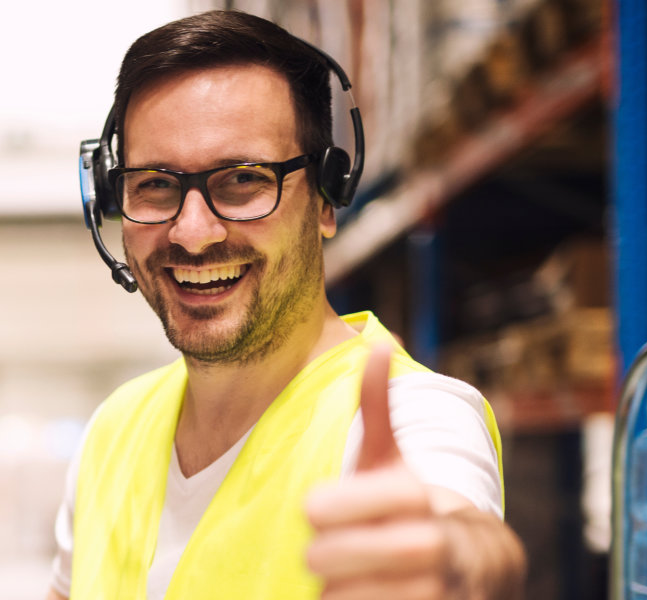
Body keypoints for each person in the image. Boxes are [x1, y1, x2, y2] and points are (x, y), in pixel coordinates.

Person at [51, 10, 525, 600]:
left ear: (326, 201)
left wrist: (449, 564)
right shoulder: (112, 431)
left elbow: (459, 536)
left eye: (243, 180)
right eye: (154, 185)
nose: (192, 234)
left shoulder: (415, 416)